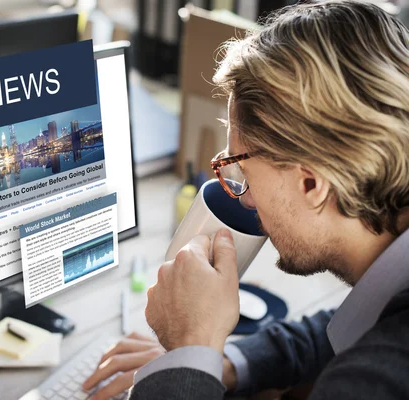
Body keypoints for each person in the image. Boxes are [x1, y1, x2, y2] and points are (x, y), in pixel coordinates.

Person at [83, 1, 409, 399]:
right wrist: (219, 362)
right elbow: (348, 327)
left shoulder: (377, 382)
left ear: (312, 184)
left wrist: (190, 347)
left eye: (241, 171)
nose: (246, 199)